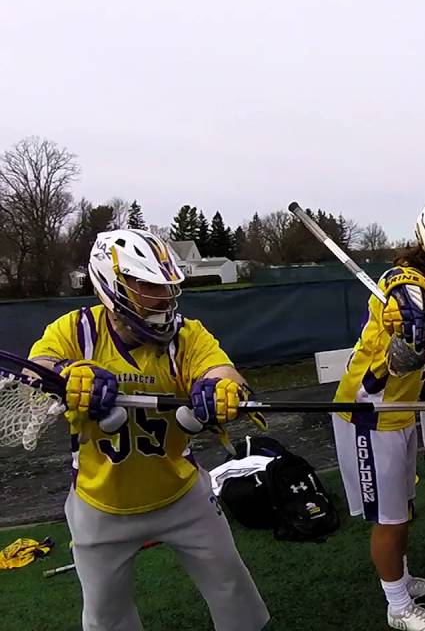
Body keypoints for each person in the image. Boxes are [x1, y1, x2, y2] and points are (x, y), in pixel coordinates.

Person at [30, 229, 269, 631]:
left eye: (165, 285)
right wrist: (68, 374)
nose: (162, 297)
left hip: (181, 494)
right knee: (105, 617)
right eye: (147, 285)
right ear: (111, 283)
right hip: (100, 503)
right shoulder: (75, 331)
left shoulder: (187, 334)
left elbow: (223, 371)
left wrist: (221, 388)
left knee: (234, 590)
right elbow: (38, 370)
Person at [334, 201, 425, 631]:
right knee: (389, 517)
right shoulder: (406, 280)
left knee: (403, 507)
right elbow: (400, 287)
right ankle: (397, 607)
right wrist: (408, 314)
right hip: (368, 412)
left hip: (398, 411)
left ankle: (402, 581)